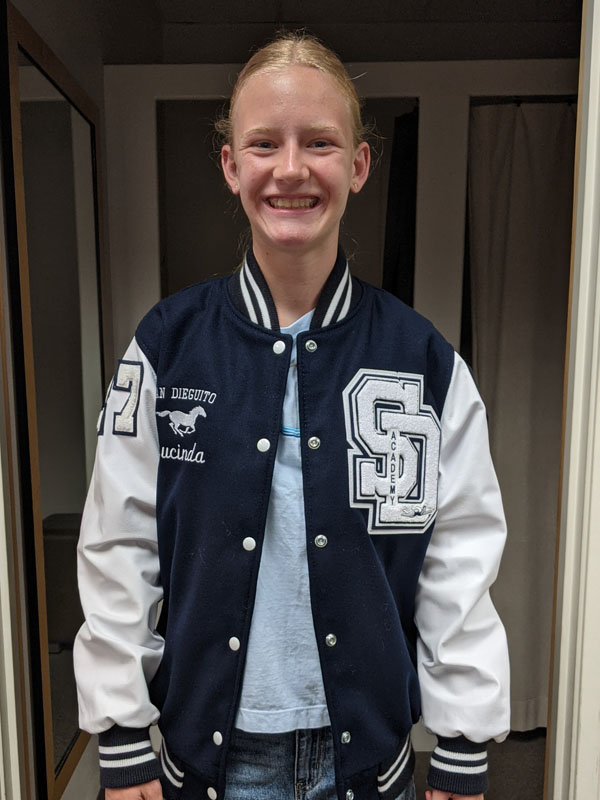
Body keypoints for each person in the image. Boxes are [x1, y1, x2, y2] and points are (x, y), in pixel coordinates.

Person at [74, 31, 510, 800]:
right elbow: (119, 542)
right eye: (264, 144)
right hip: (210, 762)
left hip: (369, 763)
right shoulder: (167, 348)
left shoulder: (422, 361)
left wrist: (464, 742)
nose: (291, 169)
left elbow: (459, 557)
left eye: (319, 142)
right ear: (230, 165)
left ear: (359, 165)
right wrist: (119, 732)